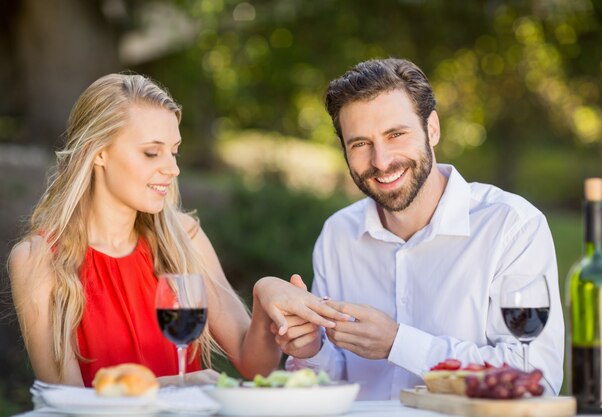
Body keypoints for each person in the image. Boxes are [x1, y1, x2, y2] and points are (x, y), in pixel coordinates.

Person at [8, 73, 345, 386]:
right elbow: (67, 403)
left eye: (174, 152)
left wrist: (265, 295)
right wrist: (176, 386)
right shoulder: (37, 261)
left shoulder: (184, 238)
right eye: (151, 153)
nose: (172, 169)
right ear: (98, 153)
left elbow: (255, 364)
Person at [276, 58, 564, 400]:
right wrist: (310, 350)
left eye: (395, 134)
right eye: (360, 144)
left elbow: (535, 378)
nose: (381, 161)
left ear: (432, 129)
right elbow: (335, 380)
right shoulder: (338, 235)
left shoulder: (511, 227)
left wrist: (399, 343)